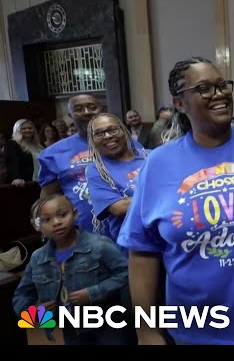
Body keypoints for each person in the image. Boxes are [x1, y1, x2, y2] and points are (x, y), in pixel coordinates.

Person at [117, 57, 234, 345]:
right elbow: (142, 253)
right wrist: (147, 331)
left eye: (222, 85)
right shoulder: (159, 164)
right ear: (180, 103)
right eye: (204, 88)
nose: (219, 94)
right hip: (196, 331)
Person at [12, 194, 130, 345]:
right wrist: (37, 312)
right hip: (71, 330)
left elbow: (126, 273)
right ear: (37, 225)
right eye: (47, 219)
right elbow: (21, 296)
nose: (56, 222)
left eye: (62, 215)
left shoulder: (99, 245)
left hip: (108, 325)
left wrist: (93, 292)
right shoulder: (38, 258)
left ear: (74, 214)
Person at [37, 94, 102, 232]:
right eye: (78, 109)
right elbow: (48, 198)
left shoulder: (127, 144)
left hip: (128, 231)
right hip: (81, 235)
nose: (87, 112)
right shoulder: (53, 153)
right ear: (70, 115)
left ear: (101, 110)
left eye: (92, 107)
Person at [86, 113, 148, 246]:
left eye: (112, 129)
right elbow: (118, 208)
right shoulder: (96, 170)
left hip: (168, 242)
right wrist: (165, 195)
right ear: (92, 140)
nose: (108, 136)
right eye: (99, 133)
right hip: (133, 247)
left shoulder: (151, 156)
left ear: (124, 130)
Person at [6, 119, 43, 187]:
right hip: (25, 182)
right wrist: (16, 177)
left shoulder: (37, 145)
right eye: (24, 128)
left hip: (41, 180)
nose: (27, 130)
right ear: (18, 130)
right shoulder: (13, 144)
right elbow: (13, 162)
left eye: (30, 128)